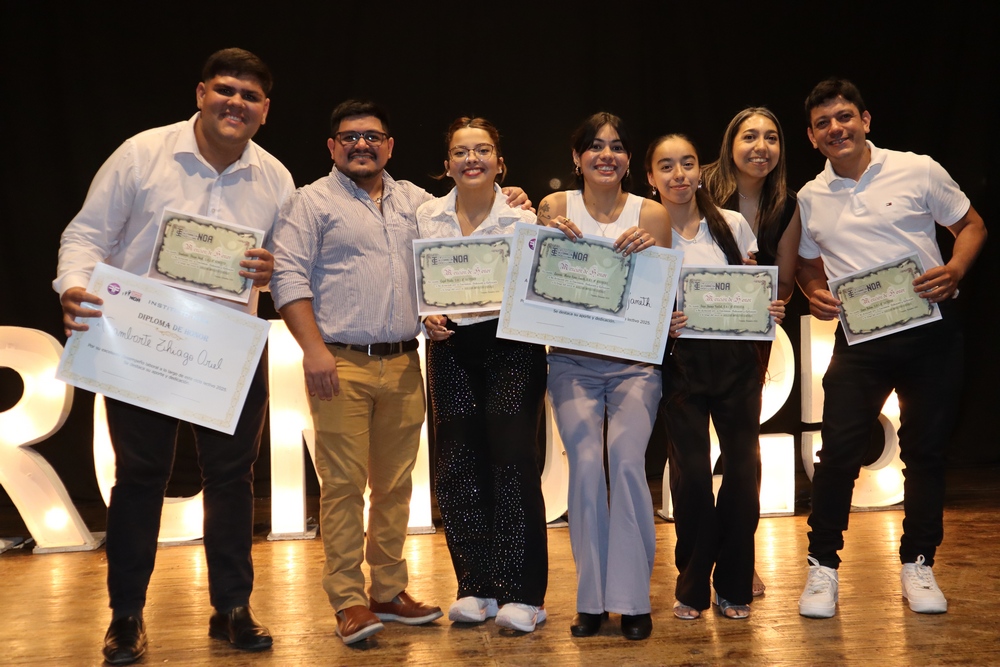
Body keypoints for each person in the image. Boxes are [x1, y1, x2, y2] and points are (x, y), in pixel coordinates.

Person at [54, 48, 294, 665]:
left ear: (265, 110)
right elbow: (86, 234)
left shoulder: (276, 178)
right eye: (225, 90)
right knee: (139, 478)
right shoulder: (142, 154)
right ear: (201, 93)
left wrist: (271, 271)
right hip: (142, 339)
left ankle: (232, 608)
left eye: (249, 96)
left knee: (233, 480)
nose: (236, 103)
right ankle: (126, 617)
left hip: (226, 347)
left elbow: (286, 268)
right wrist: (73, 286)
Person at [269, 100, 530, 645]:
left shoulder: (417, 203)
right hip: (339, 361)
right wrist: (313, 351)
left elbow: (463, 229)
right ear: (332, 147)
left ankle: (387, 590)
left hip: (406, 360)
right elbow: (288, 277)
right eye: (349, 137)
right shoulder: (309, 202)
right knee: (343, 486)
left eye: (372, 136)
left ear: (389, 146)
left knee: (394, 486)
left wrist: (513, 197)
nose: (361, 145)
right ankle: (347, 599)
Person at [794, 79, 986, 618]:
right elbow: (808, 262)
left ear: (866, 120)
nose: (836, 129)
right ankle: (822, 568)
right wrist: (813, 291)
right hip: (860, 342)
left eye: (845, 117)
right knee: (837, 455)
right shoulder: (810, 197)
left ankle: (918, 563)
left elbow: (971, 225)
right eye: (824, 123)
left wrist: (955, 268)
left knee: (925, 453)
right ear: (811, 136)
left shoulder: (917, 169)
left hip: (930, 334)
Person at [537, 112, 670, 640]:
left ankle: (633, 600)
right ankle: (591, 600)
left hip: (635, 364)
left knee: (628, 462)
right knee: (587, 466)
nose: (606, 155)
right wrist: (543, 241)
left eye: (616, 146)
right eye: (594, 146)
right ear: (577, 157)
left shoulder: (652, 213)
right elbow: (534, 282)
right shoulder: (554, 207)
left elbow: (660, 293)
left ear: (629, 159)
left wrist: (651, 256)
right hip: (571, 362)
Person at [417, 117, 549, 632]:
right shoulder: (426, 215)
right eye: (460, 151)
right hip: (450, 347)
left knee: (514, 463)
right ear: (447, 164)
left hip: (512, 344)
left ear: (500, 162)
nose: (471, 159)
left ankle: (524, 595)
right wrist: (426, 317)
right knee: (457, 467)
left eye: (483, 150)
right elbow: (417, 282)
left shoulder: (522, 217)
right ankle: (476, 586)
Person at [648, 134, 785, 621]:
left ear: (700, 171)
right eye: (667, 166)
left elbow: (750, 288)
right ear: (651, 177)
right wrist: (660, 319)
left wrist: (767, 305)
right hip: (679, 364)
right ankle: (691, 585)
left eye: (687, 163)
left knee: (743, 472)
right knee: (691, 477)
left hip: (736, 363)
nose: (679, 174)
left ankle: (734, 583)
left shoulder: (731, 224)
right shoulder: (644, 229)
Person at [701, 107, 803, 597]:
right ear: (730, 143)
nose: (761, 147)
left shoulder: (787, 204)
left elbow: (783, 283)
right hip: (688, 337)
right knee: (692, 461)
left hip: (747, 341)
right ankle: (698, 560)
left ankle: (739, 558)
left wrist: (767, 297)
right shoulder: (697, 185)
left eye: (771, 137)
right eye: (749, 136)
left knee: (744, 457)